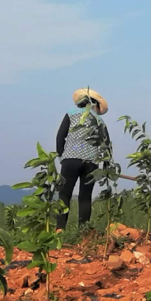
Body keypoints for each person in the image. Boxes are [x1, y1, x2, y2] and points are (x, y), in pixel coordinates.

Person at [56, 88, 110, 230]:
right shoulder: (99, 121)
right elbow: (107, 145)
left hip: (70, 160)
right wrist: (107, 166)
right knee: (85, 197)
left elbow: (60, 136)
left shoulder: (71, 114)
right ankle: (83, 231)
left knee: (64, 194)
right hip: (91, 163)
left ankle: (60, 229)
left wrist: (61, 155)